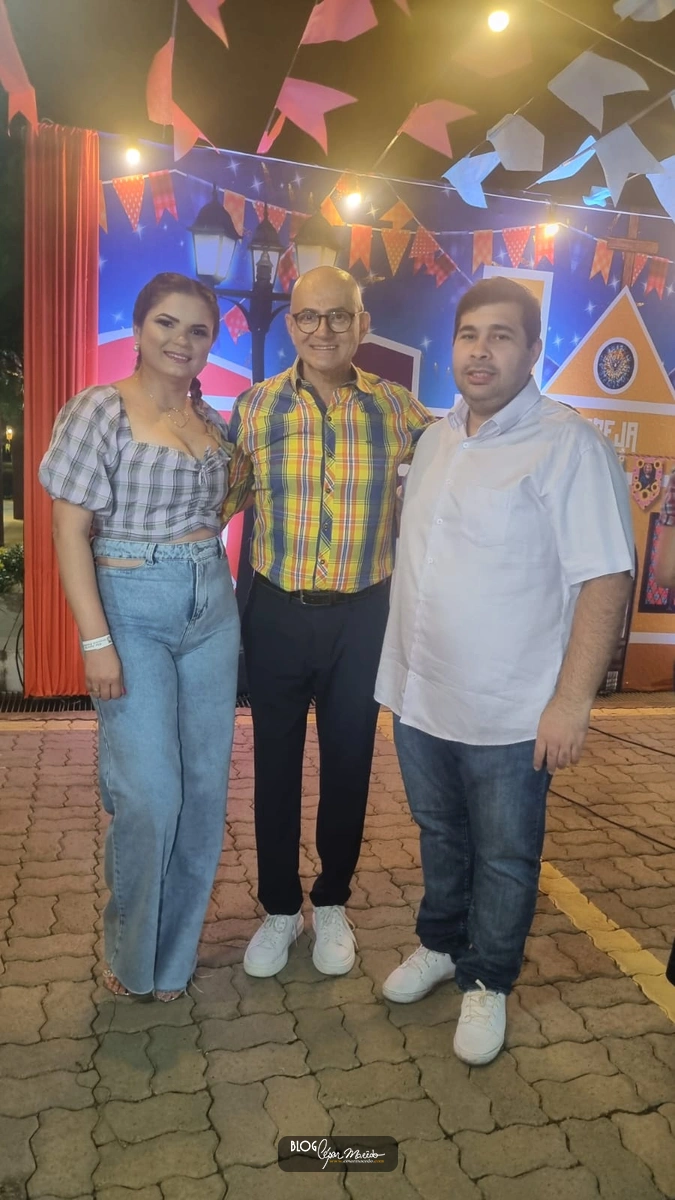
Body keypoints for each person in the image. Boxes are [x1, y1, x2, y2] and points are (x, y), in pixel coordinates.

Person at [376, 277, 634, 1064]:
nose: (479, 351)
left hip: (511, 707)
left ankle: (487, 979)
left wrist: (571, 702)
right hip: (421, 694)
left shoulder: (566, 445)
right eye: (467, 335)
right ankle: (440, 944)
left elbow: (604, 576)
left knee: (504, 854)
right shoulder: (434, 440)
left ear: (531, 352)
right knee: (439, 834)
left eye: (500, 336)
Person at [223, 265, 433, 978]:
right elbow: (217, 501)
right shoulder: (254, 408)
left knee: (349, 765)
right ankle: (280, 909)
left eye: (338, 316)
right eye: (309, 317)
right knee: (274, 767)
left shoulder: (398, 410)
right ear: (291, 325)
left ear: (362, 324)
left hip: (363, 617)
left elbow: (457, 474)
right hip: (276, 613)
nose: (323, 330)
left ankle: (333, 901)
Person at [39, 272, 240, 1001]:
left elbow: (225, 505)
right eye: (166, 323)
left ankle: (173, 961)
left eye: (197, 330)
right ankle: (131, 955)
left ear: (209, 343)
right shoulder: (100, 409)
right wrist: (95, 642)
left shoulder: (210, 421)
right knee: (151, 794)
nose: (181, 340)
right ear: (138, 328)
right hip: (132, 604)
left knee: (203, 792)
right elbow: (69, 531)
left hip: (211, 606)